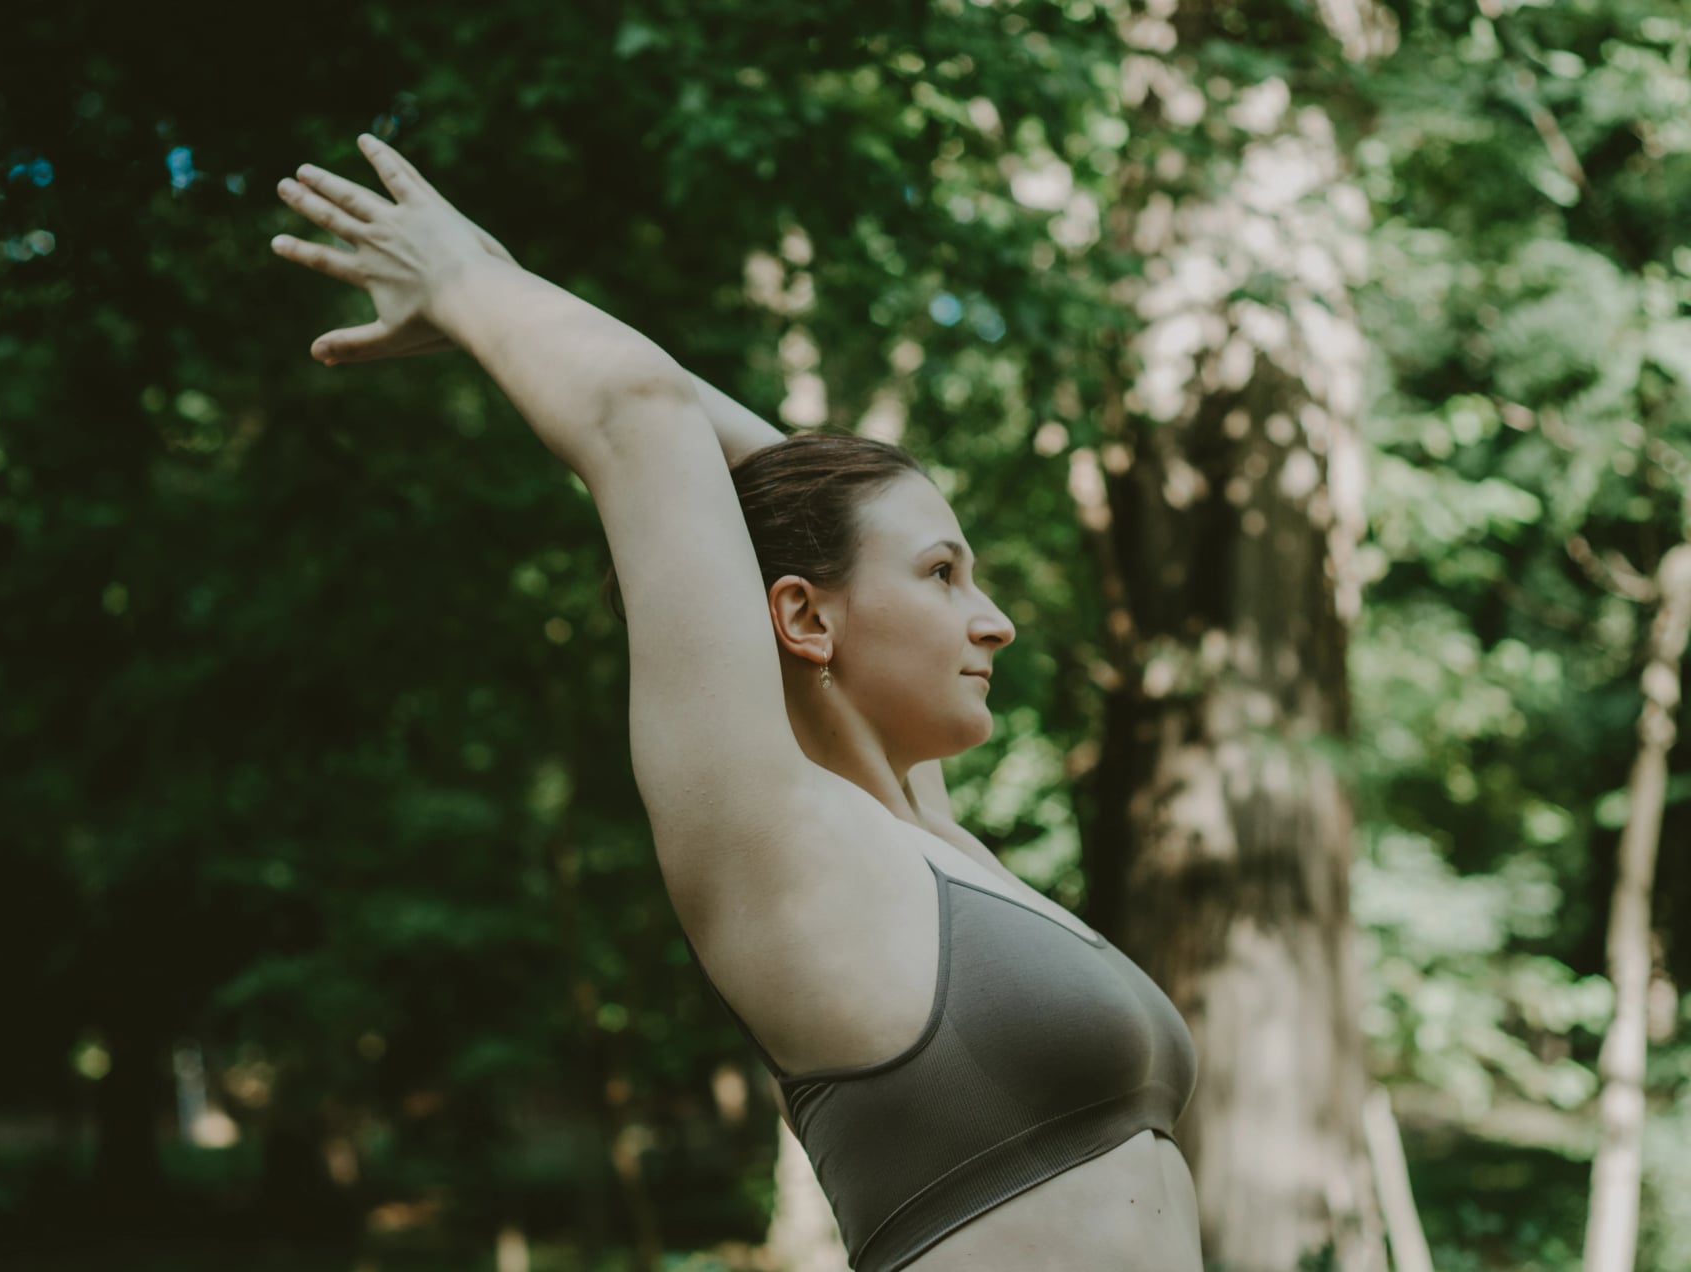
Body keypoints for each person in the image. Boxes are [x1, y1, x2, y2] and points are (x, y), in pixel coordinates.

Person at [271, 134, 1201, 1271]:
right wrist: (473, 287)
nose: (995, 618)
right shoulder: (778, 840)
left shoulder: (928, 836)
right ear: (805, 620)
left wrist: (501, 289)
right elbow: (642, 417)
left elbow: (791, 496)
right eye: (944, 574)